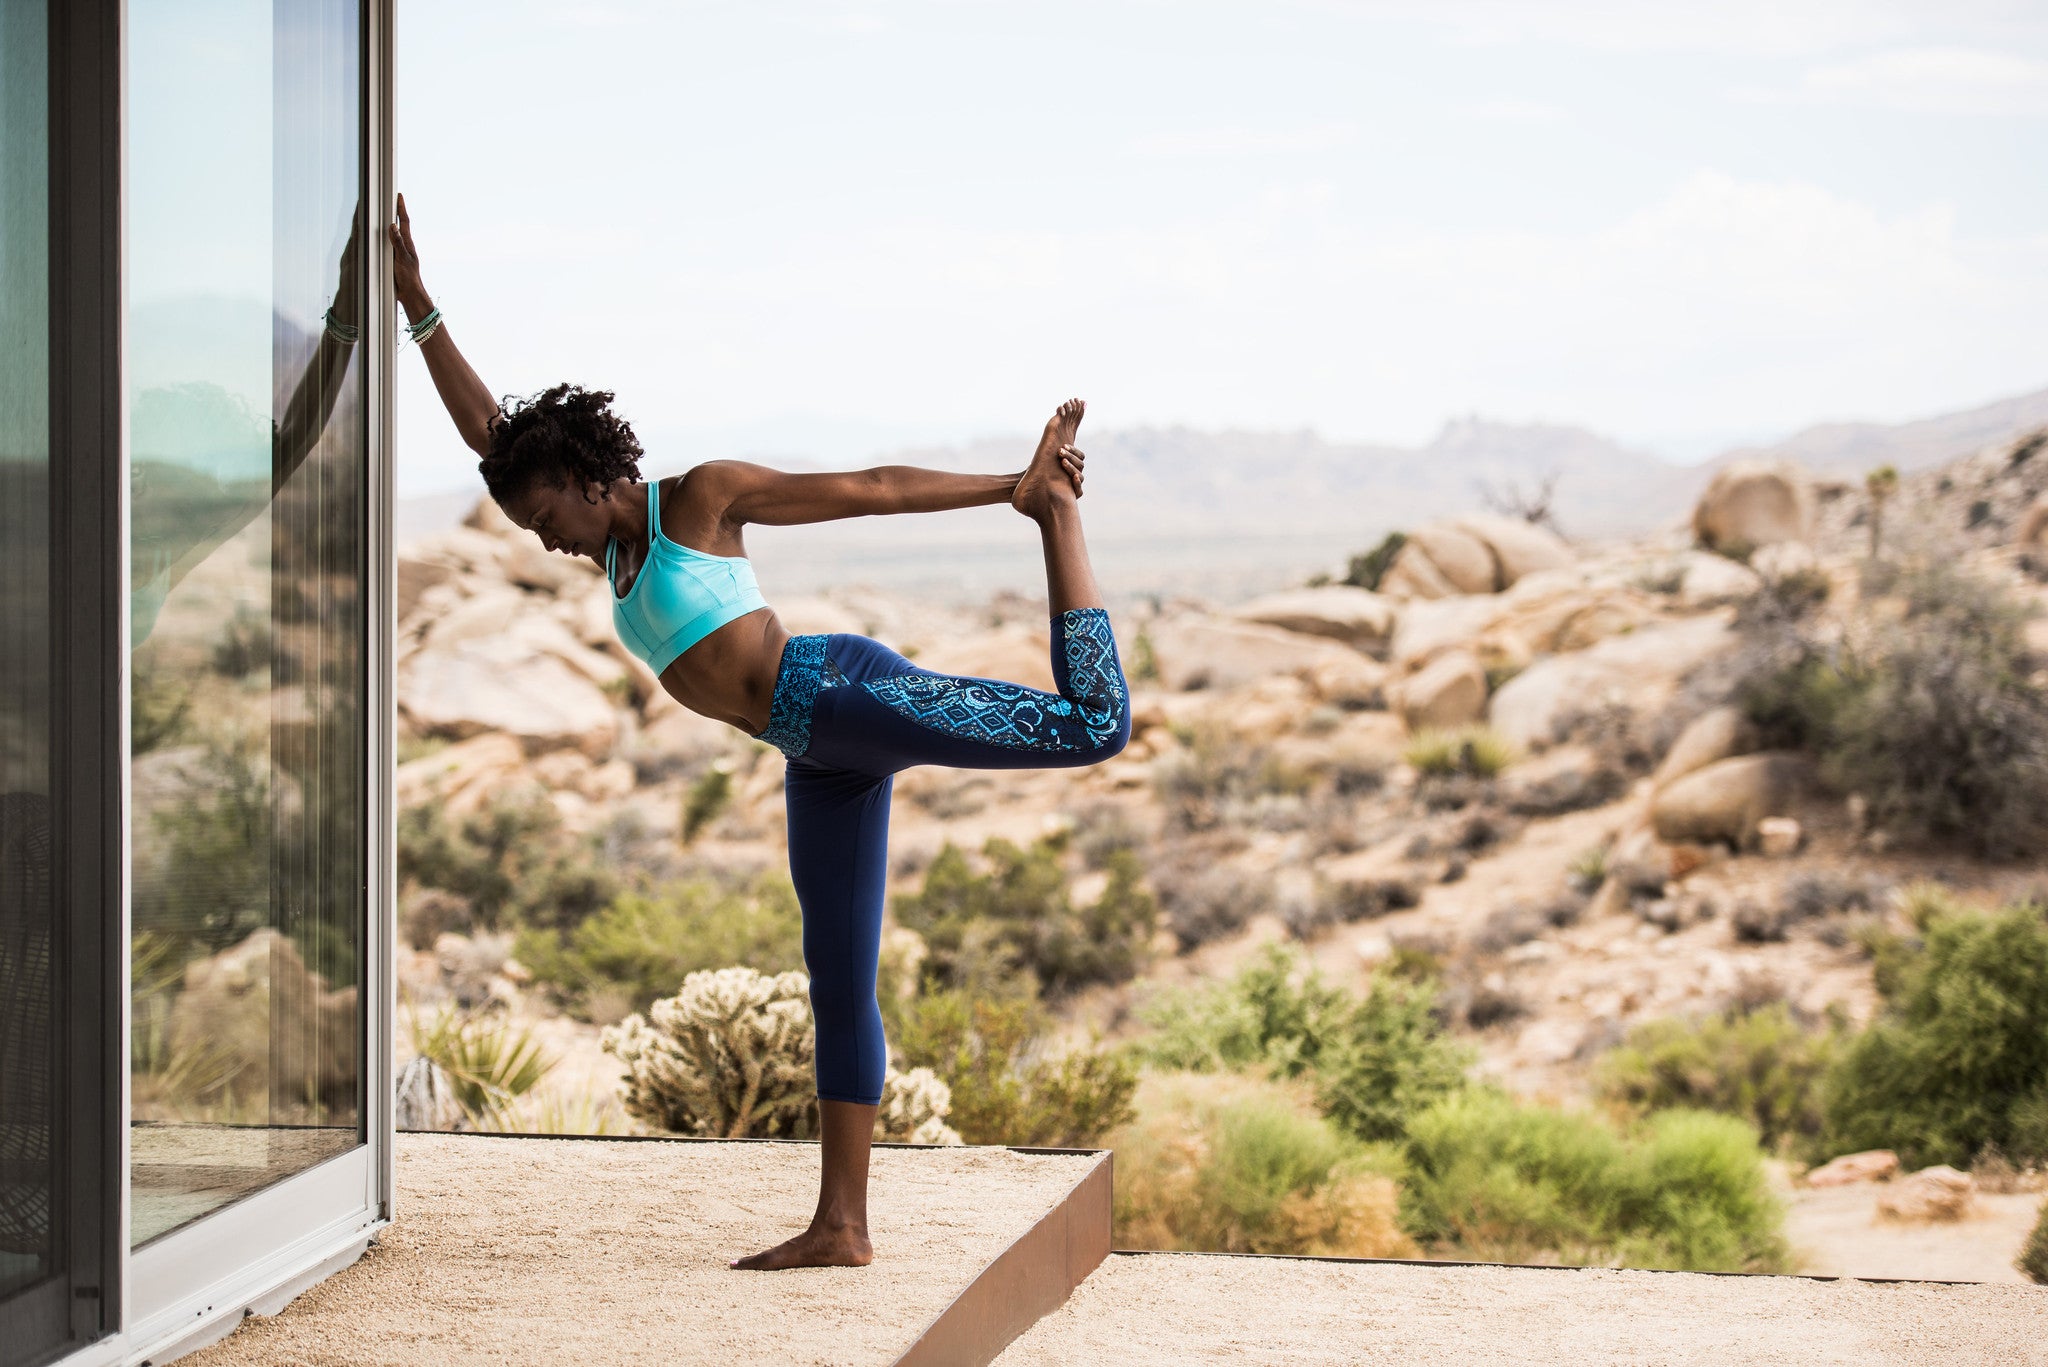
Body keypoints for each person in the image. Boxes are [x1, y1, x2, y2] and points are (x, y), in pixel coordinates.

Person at [387, 194, 1131, 1270]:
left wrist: (1010, 491)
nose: (544, 541)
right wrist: (418, 306)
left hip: (842, 691)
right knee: (837, 971)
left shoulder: (700, 500)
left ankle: (1058, 518)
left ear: (595, 483)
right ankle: (842, 1224)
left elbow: (867, 489)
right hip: (814, 755)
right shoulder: (608, 547)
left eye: (547, 519)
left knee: (1093, 725)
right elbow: (493, 438)